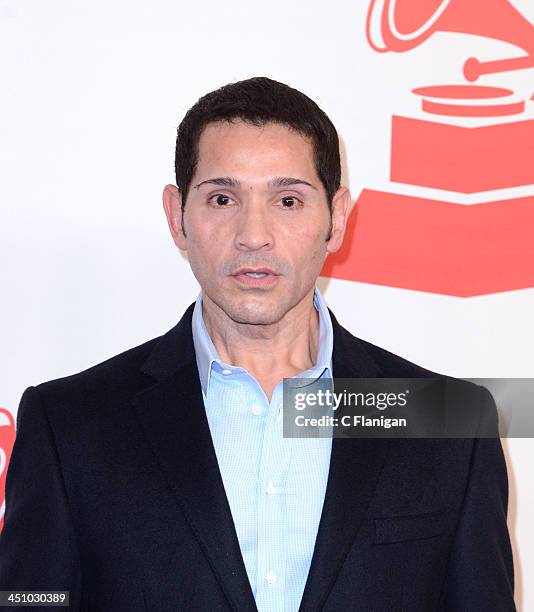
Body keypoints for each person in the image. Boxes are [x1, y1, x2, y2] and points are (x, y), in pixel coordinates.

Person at [0, 77, 515, 611]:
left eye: (288, 200)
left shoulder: (448, 420)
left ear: (336, 219)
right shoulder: (71, 424)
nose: (253, 234)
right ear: (177, 216)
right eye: (222, 198)